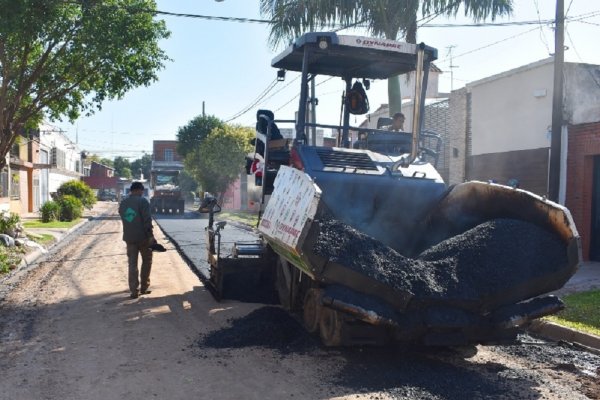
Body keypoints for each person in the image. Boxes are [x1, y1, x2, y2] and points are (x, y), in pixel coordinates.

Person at [119, 181, 155, 299]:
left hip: (129, 238)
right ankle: (144, 287)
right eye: (142, 190)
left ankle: (134, 291)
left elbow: (125, 217)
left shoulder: (124, 203)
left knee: (132, 264)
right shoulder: (143, 201)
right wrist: (150, 235)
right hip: (143, 238)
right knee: (147, 261)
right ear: (139, 190)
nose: (142, 192)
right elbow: (147, 220)